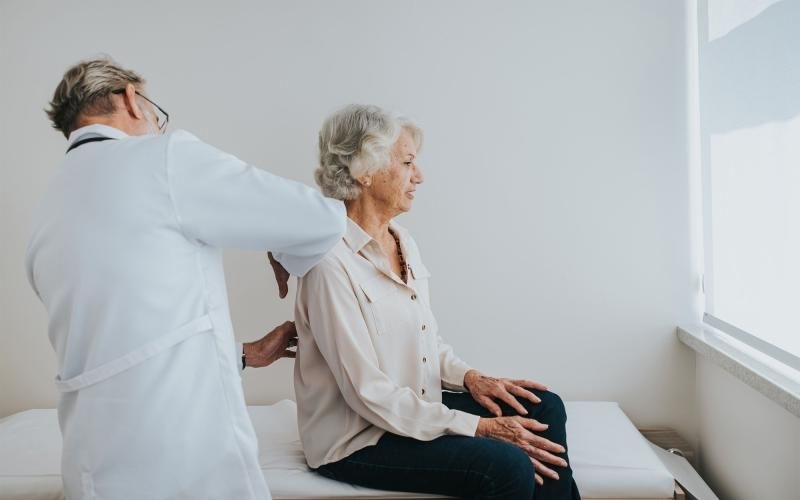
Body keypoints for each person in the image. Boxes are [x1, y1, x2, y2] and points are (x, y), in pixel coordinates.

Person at [25, 57, 346, 500]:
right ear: (132, 100)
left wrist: (240, 355)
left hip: (88, 467)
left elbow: (117, 341)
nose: (159, 123)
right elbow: (322, 220)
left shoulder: (48, 208)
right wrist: (282, 248)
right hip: (179, 460)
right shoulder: (162, 157)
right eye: (157, 112)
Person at [294, 104, 581, 499]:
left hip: (412, 409)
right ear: (364, 170)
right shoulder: (329, 264)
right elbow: (367, 393)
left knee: (545, 408)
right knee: (506, 465)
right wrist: (478, 427)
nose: (420, 177)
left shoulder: (403, 241)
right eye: (408, 162)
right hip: (358, 437)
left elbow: (425, 342)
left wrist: (471, 378)